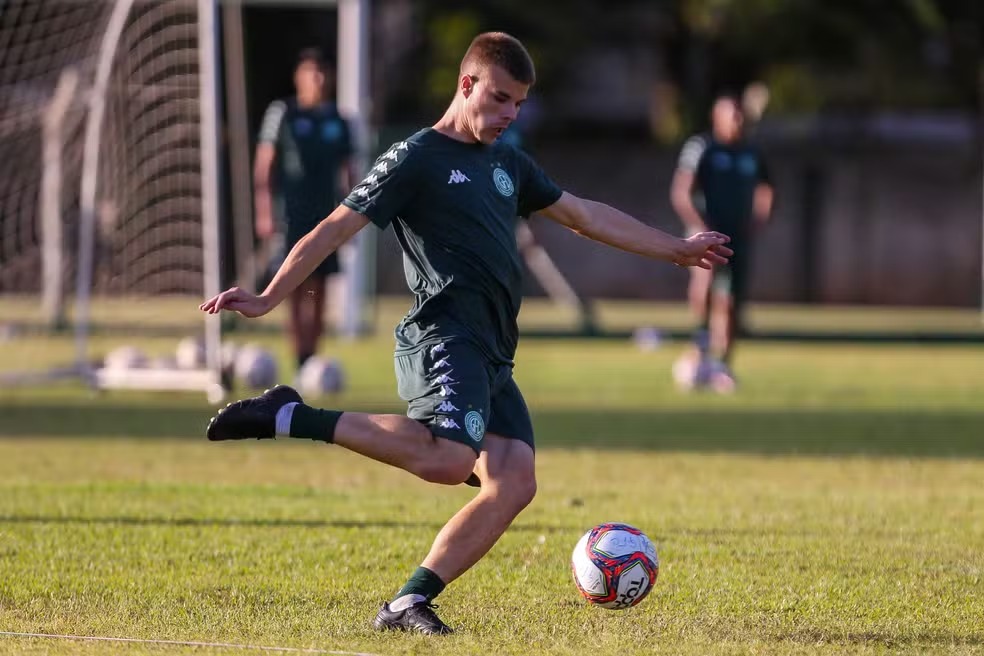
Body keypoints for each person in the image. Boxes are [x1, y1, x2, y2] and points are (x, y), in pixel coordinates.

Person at [201, 32, 731, 635]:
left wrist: (677, 250)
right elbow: (332, 227)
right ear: (466, 84)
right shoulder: (415, 157)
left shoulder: (507, 162)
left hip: (494, 352)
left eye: (519, 105)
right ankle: (289, 415)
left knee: (512, 482)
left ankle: (407, 603)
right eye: (500, 98)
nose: (508, 115)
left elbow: (583, 215)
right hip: (442, 337)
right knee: (450, 460)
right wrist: (270, 295)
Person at [254, 48, 356, 372]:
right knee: (294, 283)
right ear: (299, 77)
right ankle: (300, 355)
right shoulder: (283, 112)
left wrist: (351, 217)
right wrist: (264, 212)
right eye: (312, 72)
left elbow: (348, 171)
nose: (319, 79)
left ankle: (312, 356)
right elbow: (264, 165)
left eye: (324, 72)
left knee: (320, 287)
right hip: (291, 214)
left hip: (326, 214)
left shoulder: (337, 120)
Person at [670, 93, 773, 392]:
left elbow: (768, 188)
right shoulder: (701, 147)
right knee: (705, 284)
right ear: (717, 117)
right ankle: (700, 342)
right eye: (733, 115)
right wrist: (699, 226)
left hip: (738, 236)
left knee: (732, 300)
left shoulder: (752, 152)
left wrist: (758, 221)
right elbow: (681, 192)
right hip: (707, 234)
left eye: (741, 115)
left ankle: (724, 363)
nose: (738, 121)